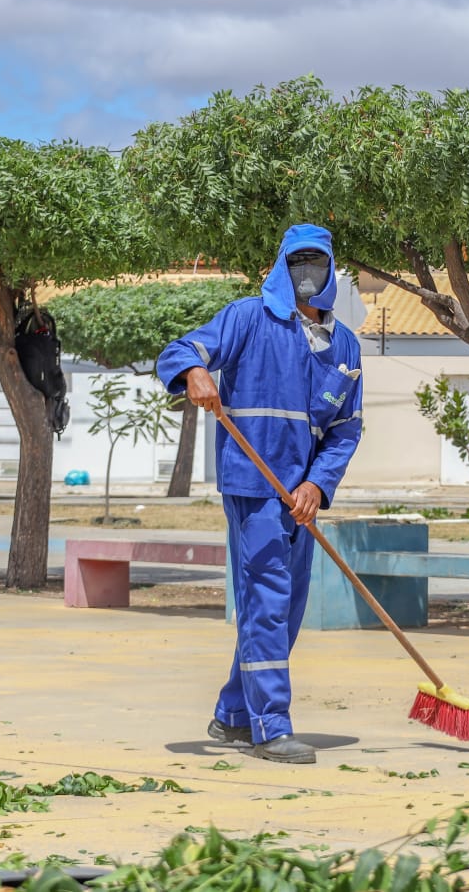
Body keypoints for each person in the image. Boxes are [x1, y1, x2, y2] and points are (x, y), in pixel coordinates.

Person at [157, 223, 363, 765]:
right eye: (297, 263)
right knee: (268, 601)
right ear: (281, 266)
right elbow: (180, 350)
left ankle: (233, 715)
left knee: (286, 608)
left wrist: (318, 484)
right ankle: (271, 726)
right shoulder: (249, 318)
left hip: (302, 496)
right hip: (254, 486)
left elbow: (345, 430)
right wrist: (195, 371)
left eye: (316, 264)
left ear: (331, 270)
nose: (306, 274)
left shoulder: (345, 346)